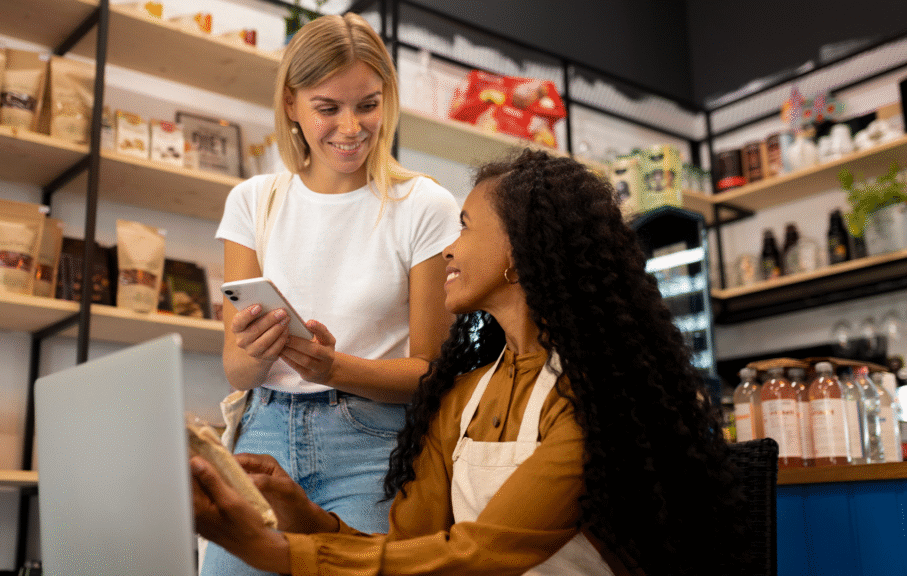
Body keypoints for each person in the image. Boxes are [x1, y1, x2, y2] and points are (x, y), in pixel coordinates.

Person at [192, 148, 748, 575]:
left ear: (518, 253)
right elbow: (410, 551)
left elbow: (479, 554)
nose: (448, 248)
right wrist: (299, 511)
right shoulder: (463, 396)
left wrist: (275, 552)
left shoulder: (592, 399)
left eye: (464, 225)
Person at [204, 12, 461, 576]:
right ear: (291, 103)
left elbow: (431, 373)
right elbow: (237, 371)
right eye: (328, 108)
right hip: (262, 435)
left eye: (368, 105)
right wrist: (257, 351)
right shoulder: (253, 202)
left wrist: (333, 368)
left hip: (373, 445)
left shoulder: (424, 206)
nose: (351, 127)